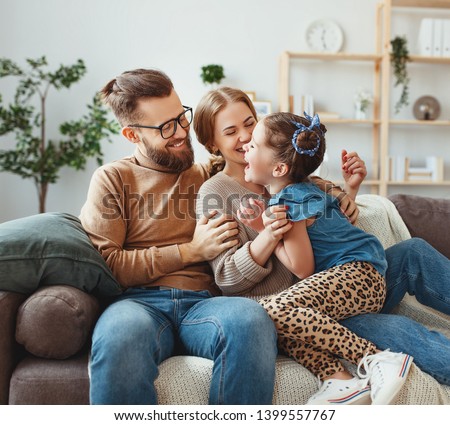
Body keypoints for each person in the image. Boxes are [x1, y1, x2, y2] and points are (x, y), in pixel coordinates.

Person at [193, 87, 450, 400]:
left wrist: (351, 191)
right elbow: (228, 278)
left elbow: (333, 230)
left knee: (413, 251)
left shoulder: (293, 177)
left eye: (250, 124)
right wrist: (267, 233)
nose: (245, 137)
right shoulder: (215, 192)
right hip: (305, 302)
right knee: (395, 331)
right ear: (212, 144)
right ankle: (353, 374)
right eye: (231, 131)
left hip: (339, 280)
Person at [78, 69, 279, 405]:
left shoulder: (211, 175)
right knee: (118, 337)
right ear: (131, 134)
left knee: (249, 319)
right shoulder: (113, 179)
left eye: (180, 118)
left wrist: (336, 192)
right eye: (165, 127)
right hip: (138, 304)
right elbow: (108, 266)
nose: (182, 133)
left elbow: (276, 168)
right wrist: (189, 251)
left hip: (207, 304)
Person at [240, 110, 414, 405]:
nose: (245, 145)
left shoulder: (289, 200)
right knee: (280, 327)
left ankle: (377, 358)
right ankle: (339, 380)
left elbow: (303, 268)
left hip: (359, 276)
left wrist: (261, 229)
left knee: (270, 311)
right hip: (360, 277)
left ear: (280, 169)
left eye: (254, 144)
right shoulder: (306, 190)